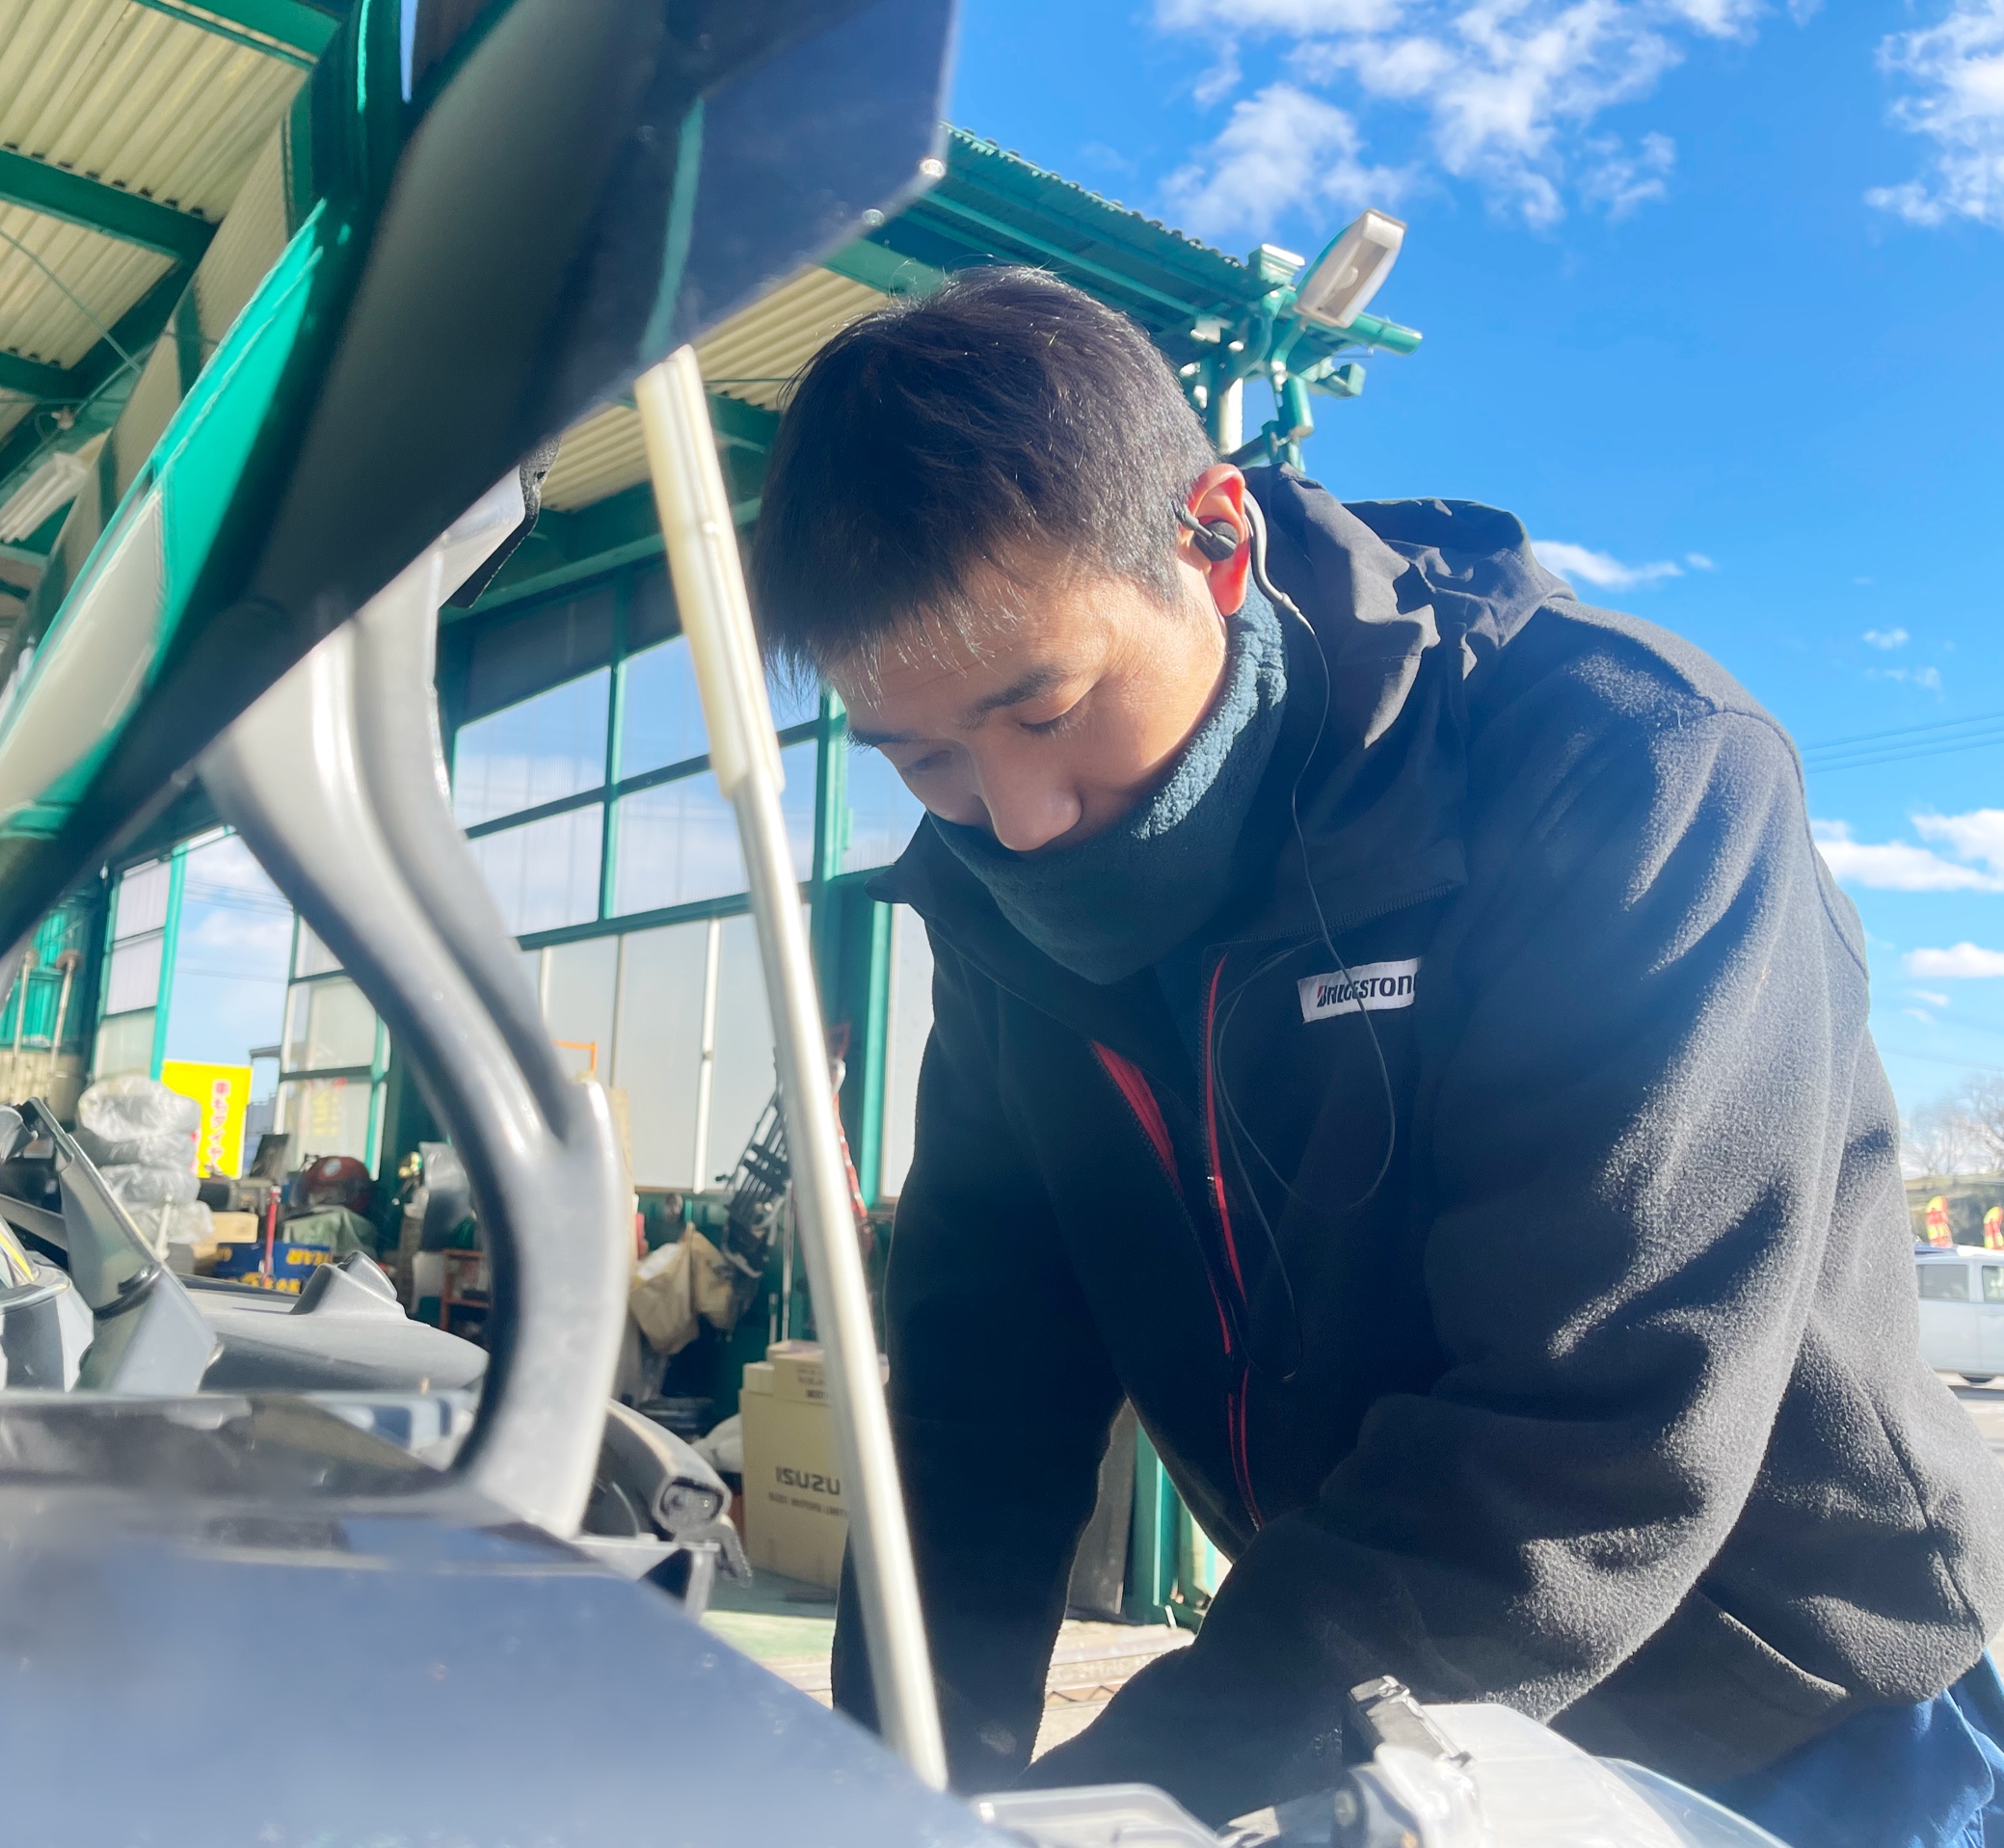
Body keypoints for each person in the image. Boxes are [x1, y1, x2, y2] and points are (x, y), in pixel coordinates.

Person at [749, 267, 2004, 1848]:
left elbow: (1597, 1435)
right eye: (923, 757)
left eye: (1048, 710)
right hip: (1393, 1715)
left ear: (1213, 539)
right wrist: (892, 1799)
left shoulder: (1629, 776)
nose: (1020, 818)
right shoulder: (1003, 915)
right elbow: (976, 1413)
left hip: (1786, 1718)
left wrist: (1120, 1801)